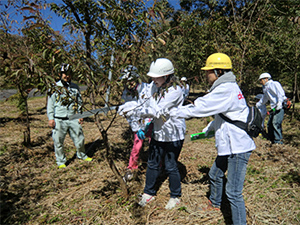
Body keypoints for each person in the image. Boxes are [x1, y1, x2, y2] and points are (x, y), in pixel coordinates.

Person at [168, 53, 255, 224]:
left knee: (233, 193)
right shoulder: (226, 88)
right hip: (229, 145)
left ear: (217, 71)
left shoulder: (226, 89)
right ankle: (215, 203)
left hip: (237, 147)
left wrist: (171, 112)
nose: (206, 74)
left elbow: (201, 107)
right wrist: (207, 130)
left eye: (208, 71)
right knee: (215, 173)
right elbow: (223, 115)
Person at [121, 58, 186, 210]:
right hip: (158, 132)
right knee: (152, 163)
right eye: (152, 76)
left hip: (173, 135)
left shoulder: (175, 90)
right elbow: (146, 103)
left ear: (167, 76)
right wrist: (141, 124)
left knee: (170, 166)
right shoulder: (153, 87)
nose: (153, 79)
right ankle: (148, 193)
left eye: (156, 76)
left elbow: (157, 110)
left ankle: (175, 196)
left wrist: (134, 110)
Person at [47, 63, 92, 169]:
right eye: (64, 74)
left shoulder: (75, 87)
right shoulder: (54, 87)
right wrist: (51, 118)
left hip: (73, 117)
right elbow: (50, 104)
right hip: (59, 119)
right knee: (58, 142)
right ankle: (61, 161)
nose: (66, 76)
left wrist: (80, 114)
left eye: (68, 74)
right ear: (60, 74)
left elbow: (79, 102)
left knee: (80, 138)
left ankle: (82, 155)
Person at [118, 65, 152, 182]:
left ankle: (157, 165)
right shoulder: (126, 93)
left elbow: (150, 108)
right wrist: (137, 127)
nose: (129, 84)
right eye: (127, 82)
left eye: (131, 81)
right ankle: (132, 167)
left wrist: (146, 125)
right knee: (137, 146)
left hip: (150, 121)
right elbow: (128, 111)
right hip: (136, 124)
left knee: (154, 144)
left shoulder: (146, 88)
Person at [256, 73, 286, 144]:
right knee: (269, 124)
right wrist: (258, 105)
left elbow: (281, 94)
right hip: (274, 107)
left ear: (266, 79)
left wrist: (279, 103)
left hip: (280, 105)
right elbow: (265, 98)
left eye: (261, 80)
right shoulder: (266, 88)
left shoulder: (274, 84)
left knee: (275, 123)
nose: (261, 82)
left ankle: (278, 141)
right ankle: (271, 138)